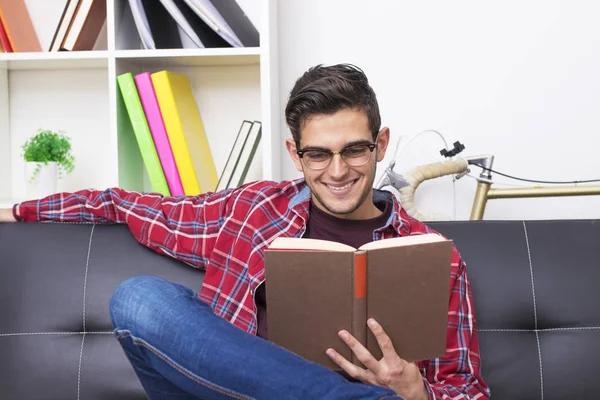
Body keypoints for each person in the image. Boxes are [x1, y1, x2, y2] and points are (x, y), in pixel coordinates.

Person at [0, 63, 490, 400]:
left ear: (380, 144)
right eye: (318, 154)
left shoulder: (435, 258)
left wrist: (414, 390)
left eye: (354, 150)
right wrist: (18, 211)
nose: (337, 171)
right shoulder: (253, 208)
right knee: (139, 299)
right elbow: (123, 203)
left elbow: (468, 391)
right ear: (295, 153)